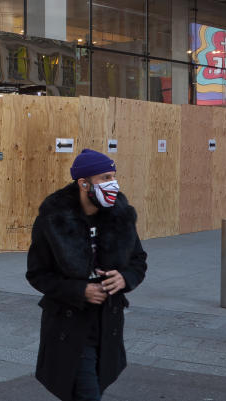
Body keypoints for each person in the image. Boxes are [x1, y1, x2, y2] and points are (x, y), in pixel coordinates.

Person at [25, 148, 147, 401]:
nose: (112, 184)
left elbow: (138, 260)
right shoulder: (53, 221)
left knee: (93, 385)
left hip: (107, 323)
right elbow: (37, 274)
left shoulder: (120, 217)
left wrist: (125, 278)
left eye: (113, 176)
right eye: (104, 178)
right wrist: (78, 291)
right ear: (83, 183)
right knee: (86, 391)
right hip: (69, 326)